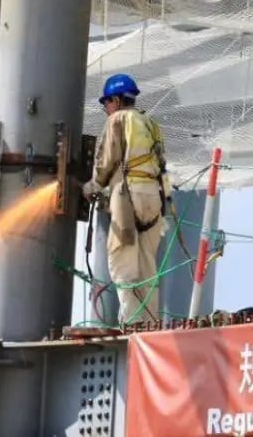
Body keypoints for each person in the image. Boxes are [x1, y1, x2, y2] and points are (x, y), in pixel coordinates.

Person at [83, 73, 170, 327]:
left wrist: (91, 187)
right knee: (146, 264)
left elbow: (106, 161)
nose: (105, 109)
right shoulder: (150, 123)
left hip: (127, 197)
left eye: (107, 103)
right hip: (153, 200)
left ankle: (132, 323)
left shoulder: (118, 120)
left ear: (118, 100)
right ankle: (151, 324)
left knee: (121, 260)